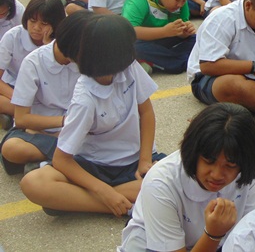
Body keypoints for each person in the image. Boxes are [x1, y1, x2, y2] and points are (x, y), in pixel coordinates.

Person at [20, 15, 165, 216]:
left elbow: (146, 112)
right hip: (94, 167)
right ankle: (121, 205)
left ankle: (79, 200)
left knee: (185, 176)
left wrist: (145, 160)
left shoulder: (129, 68)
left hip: (134, 162)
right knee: (34, 183)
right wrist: (103, 191)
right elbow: (62, 159)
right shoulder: (84, 99)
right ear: (113, 55)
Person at [119, 103, 255, 251]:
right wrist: (213, 234)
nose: (217, 174)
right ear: (193, 152)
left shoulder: (248, 172)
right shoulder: (160, 183)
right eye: (209, 161)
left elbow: (250, 237)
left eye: (230, 165)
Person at [0, 11, 89, 175]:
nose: (37, 28)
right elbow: (22, 119)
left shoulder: (89, 61)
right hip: (47, 128)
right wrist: (66, 121)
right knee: (11, 148)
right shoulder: (33, 62)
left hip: (77, 131)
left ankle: (50, 162)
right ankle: (69, 159)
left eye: (44, 23)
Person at [0, 0, 65, 131]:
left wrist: (48, 48)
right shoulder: (13, 36)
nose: (36, 28)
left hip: (45, 96)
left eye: (44, 24)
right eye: (32, 21)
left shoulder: (61, 44)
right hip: (13, 88)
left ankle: (16, 117)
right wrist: (20, 98)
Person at [122, 0, 196, 75]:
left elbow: (182, 25)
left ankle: (158, 61)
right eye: (177, 0)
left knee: (195, 39)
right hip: (143, 40)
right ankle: (182, 62)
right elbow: (129, 31)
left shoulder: (180, 0)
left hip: (165, 39)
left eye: (184, 1)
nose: (180, 5)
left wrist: (184, 32)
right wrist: (164, 31)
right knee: (131, 47)